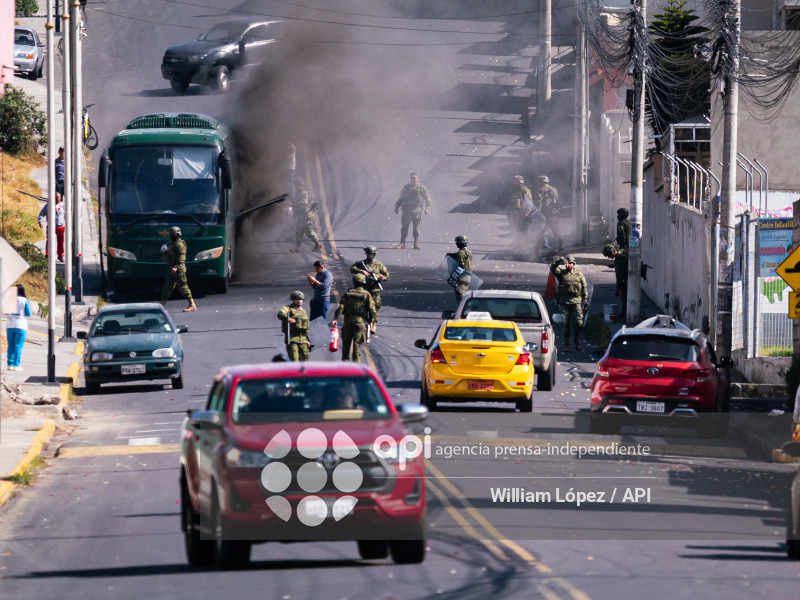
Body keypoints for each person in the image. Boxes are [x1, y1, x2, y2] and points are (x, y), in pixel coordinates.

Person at [550, 255, 588, 352]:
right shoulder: (562, 273)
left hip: (576, 301)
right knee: (565, 324)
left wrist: (585, 301)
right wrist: (560, 260)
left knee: (578, 323)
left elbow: (585, 288)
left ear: (573, 264)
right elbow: (553, 268)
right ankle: (566, 344)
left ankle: (576, 340)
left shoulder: (579, 275)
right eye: (567, 263)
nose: (568, 265)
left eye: (570, 263)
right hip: (565, 302)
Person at [334, 274, 376, 362]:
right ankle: (356, 364)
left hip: (348, 321)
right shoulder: (366, 294)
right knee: (357, 344)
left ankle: (345, 362)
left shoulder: (348, 293)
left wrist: (336, 318)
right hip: (360, 322)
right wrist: (372, 322)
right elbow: (372, 310)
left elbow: (341, 307)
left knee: (346, 344)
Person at [350, 246, 388, 334]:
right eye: (370, 254)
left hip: (375, 289)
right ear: (366, 254)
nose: (371, 256)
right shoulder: (361, 263)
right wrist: (362, 271)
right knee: (361, 307)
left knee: (374, 307)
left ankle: (373, 324)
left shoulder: (379, 264)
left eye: (373, 254)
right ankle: (363, 323)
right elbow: (352, 269)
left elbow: (387, 276)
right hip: (364, 289)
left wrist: (381, 277)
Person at [160, 226, 197, 312]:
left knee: (183, 287)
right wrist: (163, 250)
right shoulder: (170, 244)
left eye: (173, 234)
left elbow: (182, 257)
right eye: (171, 234)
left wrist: (176, 266)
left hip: (178, 269)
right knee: (167, 287)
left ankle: (192, 304)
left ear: (177, 234)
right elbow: (165, 252)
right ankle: (162, 305)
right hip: (171, 268)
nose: (171, 235)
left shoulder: (180, 244)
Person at [394, 171, 432, 249]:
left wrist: (427, 208)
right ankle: (402, 243)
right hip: (406, 211)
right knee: (404, 227)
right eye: (412, 178)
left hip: (417, 212)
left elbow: (427, 199)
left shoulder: (422, 188)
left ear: (417, 179)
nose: (413, 180)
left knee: (416, 228)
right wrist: (397, 206)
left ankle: (415, 244)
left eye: (415, 178)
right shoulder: (406, 187)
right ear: (410, 179)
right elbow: (401, 198)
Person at [277, 291, 311, 361]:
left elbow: (306, 328)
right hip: (292, 340)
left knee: (305, 361)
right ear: (293, 300)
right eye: (297, 299)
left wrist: (308, 340)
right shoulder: (288, 309)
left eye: (301, 299)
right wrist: (289, 318)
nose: (299, 301)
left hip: (303, 340)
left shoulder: (303, 311)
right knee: (295, 361)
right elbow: (280, 314)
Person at [290, 178, 322, 253]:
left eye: (297, 185)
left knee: (309, 231)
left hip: (306, 215)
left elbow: (304, 202)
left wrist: (293, 204)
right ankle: (297, 247)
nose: (296, 187)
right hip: (301, 215)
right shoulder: (298, 193)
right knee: (299, 231)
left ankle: (318, 244)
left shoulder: (303, 193)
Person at [6, 284, 31, 371]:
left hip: (10, 325)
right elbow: (28, 313)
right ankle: (17, 365)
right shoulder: (24, 300)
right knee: (18, 346)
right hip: (21, 325)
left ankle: (10, 364)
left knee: (11, 345)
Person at [534, 175, 563, 251]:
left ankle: (537, 247)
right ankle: (560, 244)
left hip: (546, 213)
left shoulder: (541, 190)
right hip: (554, 213)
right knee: (555, 230)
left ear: (542, 182)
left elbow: (539, 202)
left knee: (542, 229)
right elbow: (556, 198)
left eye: (540, 181)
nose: (539, 183)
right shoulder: (553, 189)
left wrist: (537, 211)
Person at [603, 244, 628, 322]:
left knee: (624, 298)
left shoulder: (619, 259)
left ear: (613, 252)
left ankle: (625, 315)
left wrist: (617, 289)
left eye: (609, 255)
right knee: (625, 297)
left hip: (627, 280)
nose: (609, 257)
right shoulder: (622, 252)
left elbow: (619, 277)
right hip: (630, 278)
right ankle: (624, 314)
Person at [38, 192, 66, 261]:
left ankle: (60, 255)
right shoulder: (49, 205)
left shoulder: (63, 205)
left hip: (60, 226)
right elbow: (42, 213)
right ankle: (48, 254)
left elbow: (67, 215)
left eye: (59, 197)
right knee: (50, 240)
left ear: (60, 197)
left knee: (60, 241)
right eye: (56, 197)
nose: (57, 198)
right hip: (51, 226)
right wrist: (40, 222)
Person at [508, 175, 533, 246]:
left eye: (516, 181)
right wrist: (509, 211)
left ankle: (525, 244)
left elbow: (529, 201)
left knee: (523, 229)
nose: (514, 182)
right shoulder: (513, 190)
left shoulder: (525, 190)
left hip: (523, 212)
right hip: (515, 212)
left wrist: (528, 212)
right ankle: (519, 242)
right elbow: (511, 201)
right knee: (516, 228)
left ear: (520, 181)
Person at [447, 235, 473, 302]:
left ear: (459, 243)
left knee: (461, 296)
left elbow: (461, 265)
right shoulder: (469, 252)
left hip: (461, 277)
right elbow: (460, 256)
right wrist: (451, 255)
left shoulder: (460, 253)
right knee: (465, 295)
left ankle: (463, 308)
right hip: (467, 276)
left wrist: (453, 278)